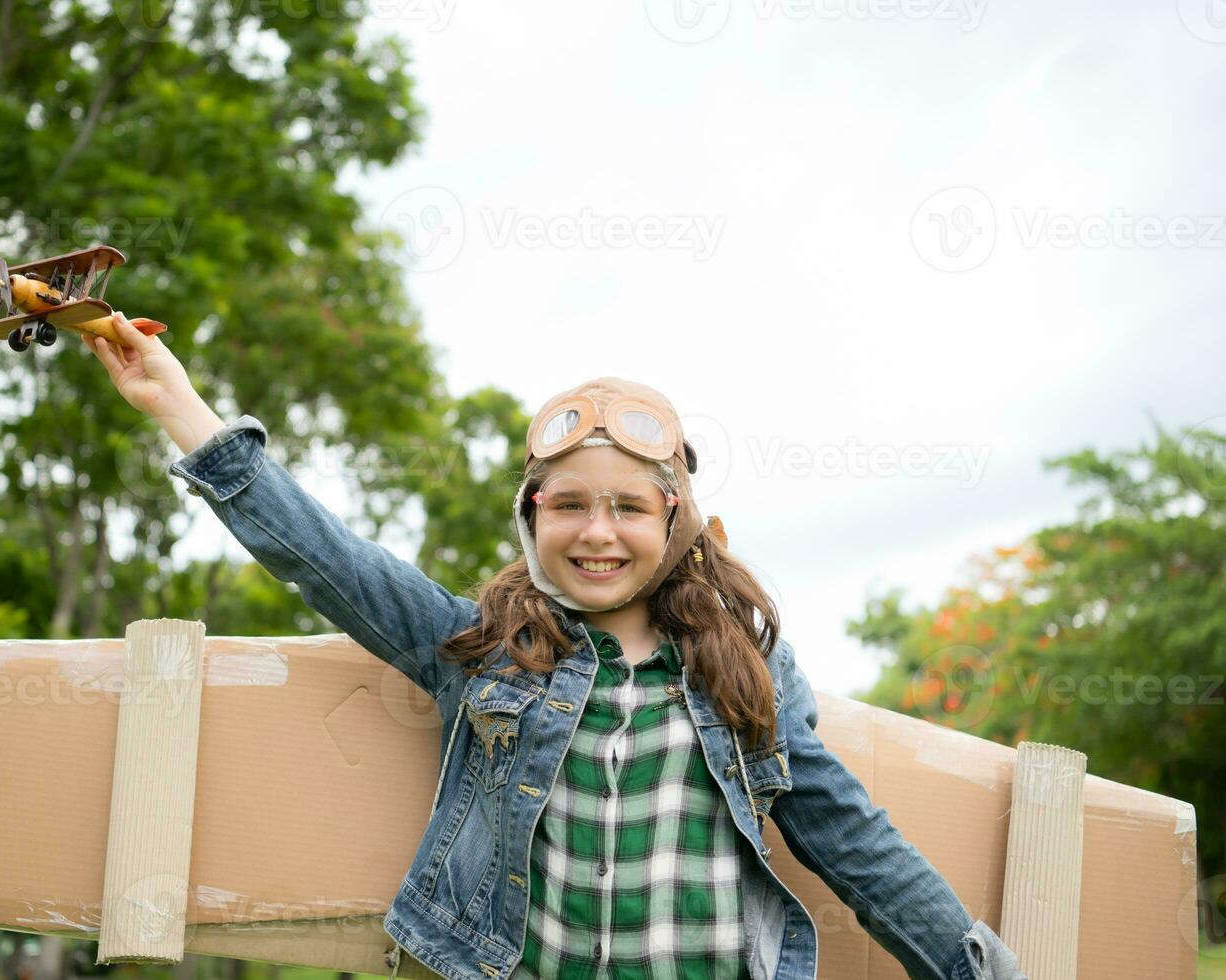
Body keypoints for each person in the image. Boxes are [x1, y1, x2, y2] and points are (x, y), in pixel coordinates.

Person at [87, 312, 1027, 980]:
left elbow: (853, 840)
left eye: (628, 507)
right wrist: (187, 414)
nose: (597, 532)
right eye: (568, 504)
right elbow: (329, 561)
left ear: (676, 518)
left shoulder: (743, 668)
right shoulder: (482, 647)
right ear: (532, 516)